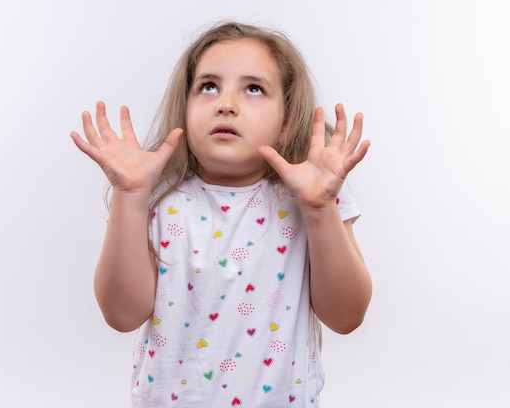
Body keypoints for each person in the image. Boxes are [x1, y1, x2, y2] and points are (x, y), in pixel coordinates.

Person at [71, 21, 372, 407]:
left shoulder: (313, 194)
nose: (225, 103)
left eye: (253, 89)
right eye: (208, 86)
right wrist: (130, 195)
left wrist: (318, 210)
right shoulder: (158, 197)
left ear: (286, 121)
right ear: (184, 108)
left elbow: (347, 315)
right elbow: (121, 314)